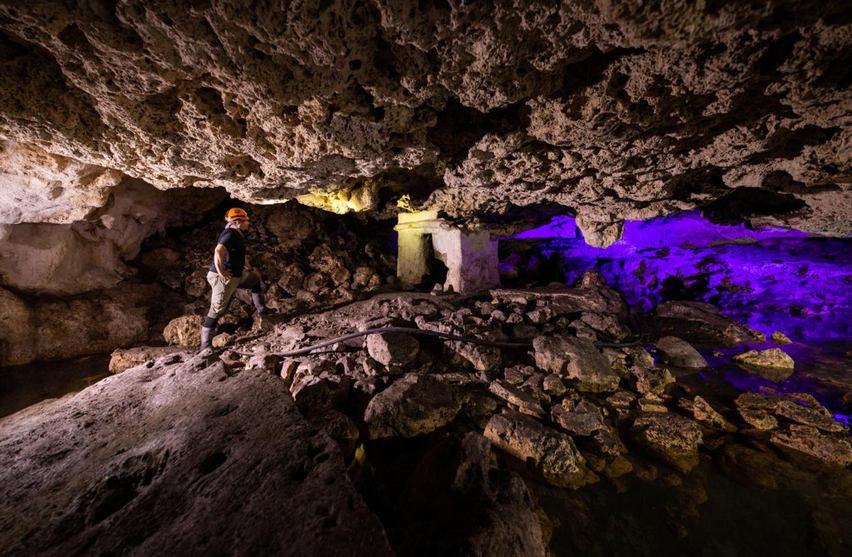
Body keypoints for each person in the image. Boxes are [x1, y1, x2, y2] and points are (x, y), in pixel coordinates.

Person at [200, 207, 275, 351]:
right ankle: (205, 346)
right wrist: (221, 271)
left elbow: (241, 255)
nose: (248, 224)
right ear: (238, 222)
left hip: (237, 275)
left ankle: (262, 310)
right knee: (217, 310)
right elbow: (218, 251)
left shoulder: (236, 234)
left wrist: (251, 269)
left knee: (254, 280)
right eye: (246, 221)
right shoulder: (229, 234)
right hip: (224, 279)